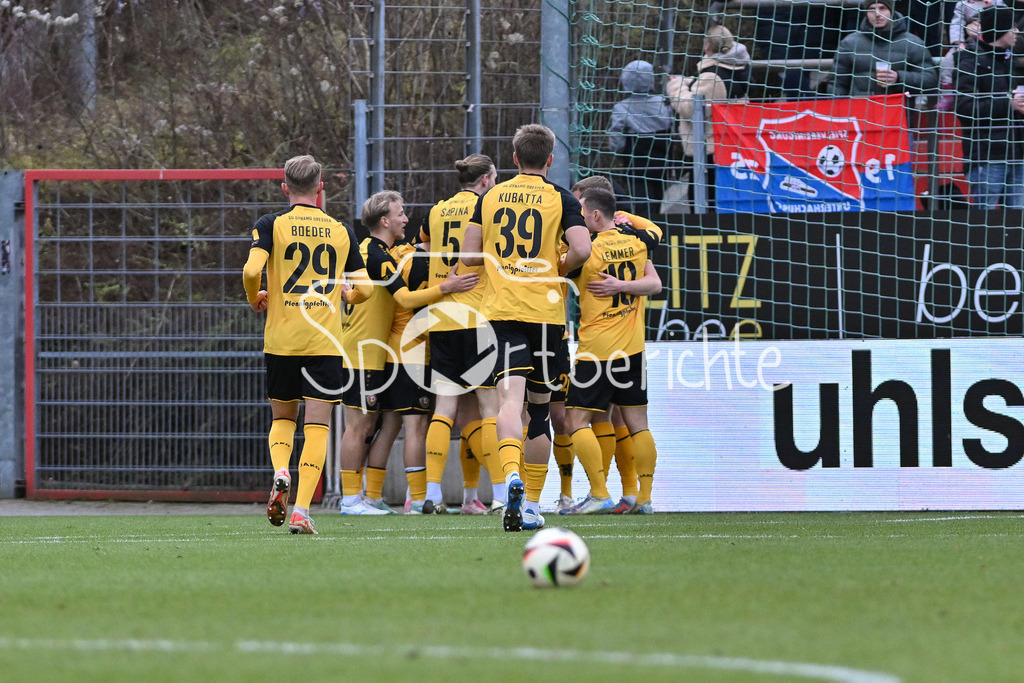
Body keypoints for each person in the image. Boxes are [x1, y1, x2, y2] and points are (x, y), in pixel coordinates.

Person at [461, 123, 592, 532]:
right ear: (550, 160)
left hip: (501, 312)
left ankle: (509, 478)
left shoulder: (490, 197)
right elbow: (583, 249)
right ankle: (533, 504)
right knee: (540, 411)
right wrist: (560, 265)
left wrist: (501, 262)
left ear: (514, 158)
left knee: (507, 403)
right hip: (546, 317)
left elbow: (467, 256)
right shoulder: (562, 198)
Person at [242, 154, 373, 535]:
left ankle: (281, 470)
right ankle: (300, 510)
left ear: (285, 188)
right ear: (320, 189)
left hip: (282, 340)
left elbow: (252, 270)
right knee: (317, 427)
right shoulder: (340, 229)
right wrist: (348, 296)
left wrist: (255, 297)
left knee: (283, 419)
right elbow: (364, 287)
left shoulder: (271, 224)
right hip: (325, 342)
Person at [337, 190, 478, 515]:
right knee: (360, 427)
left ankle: (365, 497)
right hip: (363, 354)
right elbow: (403, 299)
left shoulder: (369, 251)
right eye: (400, 213)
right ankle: (352, 500)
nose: (406, 219)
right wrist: (446, 287)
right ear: (384, 220)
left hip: (369, 353)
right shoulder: (377, 255)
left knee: (376, 425)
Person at [563, 187, 661, 515]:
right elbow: (656, 234)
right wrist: (626, 218)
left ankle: (598, 492)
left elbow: (559, 265)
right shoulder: (638, 242)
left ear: (594, 215)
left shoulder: (586, 252)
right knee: (639, 425)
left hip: (597, 352)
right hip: (632, 350)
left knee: (575, 419)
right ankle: (644, 498)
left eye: (581, 211)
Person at [419, 154, 502, 514]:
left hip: (442, 317)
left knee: (446, 407)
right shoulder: (489, 208)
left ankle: (433, 494)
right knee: (489, 408)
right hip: (478, 316)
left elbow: (421, 246)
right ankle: (501, 493)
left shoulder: (437, 211)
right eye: (495, 178)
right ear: (485, 180)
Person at [666, 25, 751, 213]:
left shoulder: (713, 76)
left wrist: (675, 85)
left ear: (707, 46)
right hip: (728, 145)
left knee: (702, 203)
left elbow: (690, 107)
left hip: (709, 150)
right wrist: (690, 81)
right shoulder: (736, 67)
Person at [953, 6, 1024, 208]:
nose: (1017, 31)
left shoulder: (1012, 62)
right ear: (1000, 30)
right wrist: (1008, 104)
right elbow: (965, 108)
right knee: (985, 222)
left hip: (1018, 154)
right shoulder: (969, 62)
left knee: (1017, 222)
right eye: (1012, 27)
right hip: (986, 156)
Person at [606, 60, 675, 219]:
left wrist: (618, 151)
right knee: (657, 198)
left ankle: (644, 231)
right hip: (661, 161)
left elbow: (616, 138)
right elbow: (671, 128)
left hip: (636, 164)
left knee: (641, 202)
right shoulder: (663, 104)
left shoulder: (622, 108)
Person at [830, 0, 938, 101]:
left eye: (882, 8)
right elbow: (837, 84)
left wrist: (899, 78)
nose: (877, 14)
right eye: (872, 9)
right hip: (859, 113)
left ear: (891, 10)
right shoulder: (849, 43)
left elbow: (930, 79)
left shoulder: (912, 43)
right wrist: (838, 113)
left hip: (899, 115)